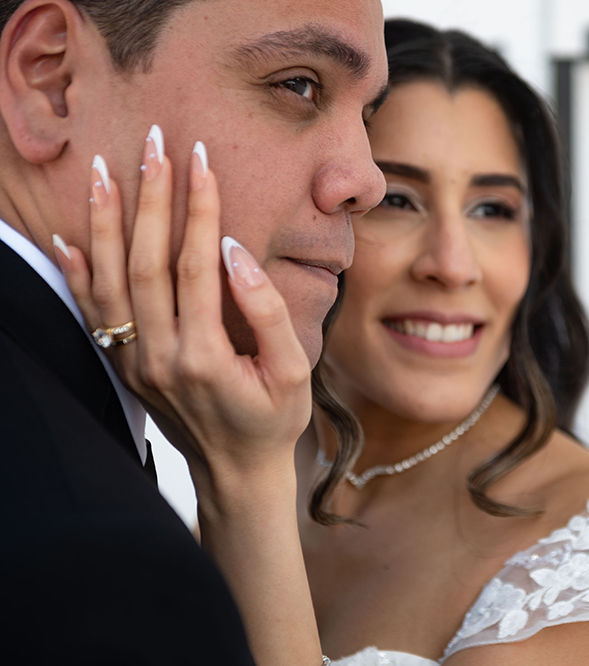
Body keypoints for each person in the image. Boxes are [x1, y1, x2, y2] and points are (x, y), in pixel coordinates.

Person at [297, 19, 589, 665]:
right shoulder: (266, 450)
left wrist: (241, 494)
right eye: (399, 200)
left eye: (492, 209)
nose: (452, 263)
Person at [0, 0, 387, 663]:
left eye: (367, 115)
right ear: (50, 81)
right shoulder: (99, 565)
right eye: (298, 84)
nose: (366, 181)